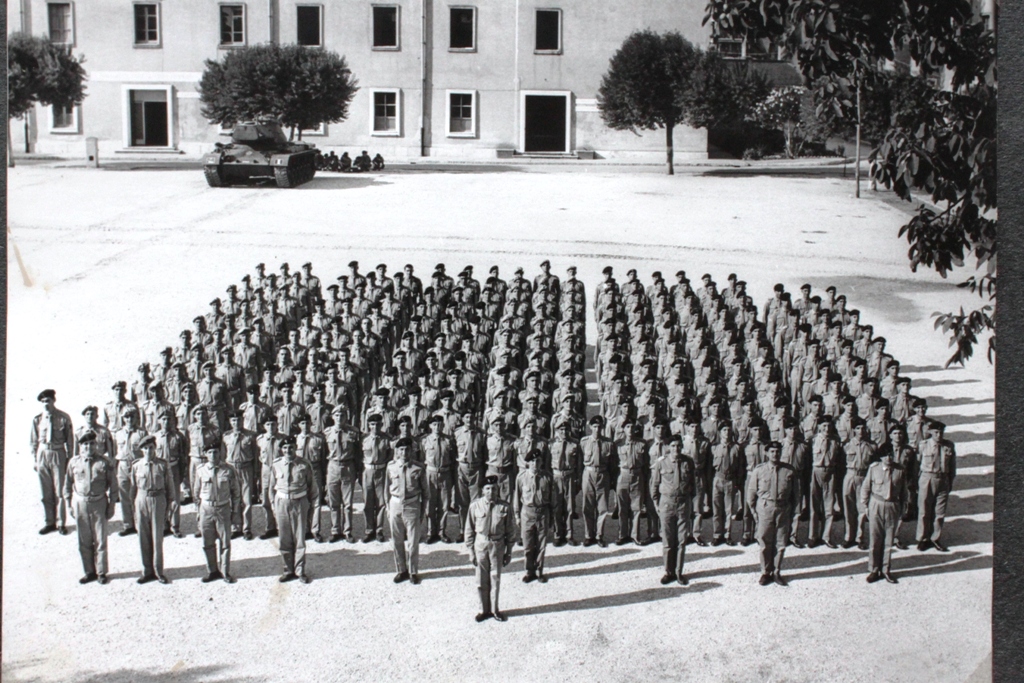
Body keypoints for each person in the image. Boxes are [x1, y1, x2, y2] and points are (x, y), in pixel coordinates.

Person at [62, 430, 117, 584]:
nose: (89, 447)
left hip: (99, 503)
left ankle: (101, 572)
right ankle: (89, 571)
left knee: (100, 539)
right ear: (80, 446)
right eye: (85, 444)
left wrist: (112, 505)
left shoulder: (104, 462)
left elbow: (113, 486)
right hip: (80, 504)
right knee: (84, 540)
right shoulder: (73, 462)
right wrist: (68, 505)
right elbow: (67, 485)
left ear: (96, 444)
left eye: (92, 443)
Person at [746, 441, 800, 586]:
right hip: (765, 509)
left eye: (777, 451)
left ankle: (776, 571)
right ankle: (765, 572)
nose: (775, 454)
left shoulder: (789, 471)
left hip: (783, 509)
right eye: (772, 451)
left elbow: (796, 494)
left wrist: (793, 512)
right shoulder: (759, 470)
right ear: (766, 453)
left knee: (781, 543)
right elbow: (751, 494)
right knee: (764, 542)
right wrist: (755, 512)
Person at [466, 475, 516, 622]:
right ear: (482, 490)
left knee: (495, 578)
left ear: (498, 490)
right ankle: (483, 610)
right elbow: (469, 530)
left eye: (494, 489)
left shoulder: (504, 507)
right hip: (481, 544)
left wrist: (509, 552)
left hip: (497, 545)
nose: (491, 492)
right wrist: (470, 551)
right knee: (481, 579)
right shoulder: (475, 506)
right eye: (487, 489)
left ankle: (495, 610)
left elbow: (510, 531)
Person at [269, 436, 319, 583]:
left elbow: (313, 488)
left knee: (299, 538)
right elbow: (271, 488)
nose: (288, 450)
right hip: (282, 502)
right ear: (281, 450)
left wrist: (312, 507)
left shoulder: (304, 464)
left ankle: (300, 570)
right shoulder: (276, 464)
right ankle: (288, 569)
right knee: (284, 538)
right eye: (285, 448)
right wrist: (273, 505)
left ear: (295, 447)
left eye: (290, 447)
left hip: (299, 502)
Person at [650, 435, 697, 585]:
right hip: (667, 504)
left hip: (683, 503)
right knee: (668, 540)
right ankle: (668, 572)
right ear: (668, 448)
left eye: (678, 446)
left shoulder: (688, 462)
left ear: (682, 447)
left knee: (681, 540)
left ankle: (678, 572)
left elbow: (693, 485)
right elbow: (654, 486)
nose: (676, 449)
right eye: (673, 446)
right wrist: (657, 505)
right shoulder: (661, 463)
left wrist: (690, 503)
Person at [129, 435, 176, 584]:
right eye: (145, 448)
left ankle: (158, 571)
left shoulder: (162, 465)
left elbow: (170, 486)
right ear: (141, 450)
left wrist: (171, 504)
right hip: (142, 500)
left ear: (155, 448)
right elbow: (132, 489)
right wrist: (134, 508)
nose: (148, 451)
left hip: (158, 499)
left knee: (157, 537)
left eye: (151, 448)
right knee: (143, 537)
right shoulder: (136, 465)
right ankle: (146, 571)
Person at [860, 444, 908, 584]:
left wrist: (903, 508)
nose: (888, 458)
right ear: (880, 457)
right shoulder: (874, 469)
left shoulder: (900, 470)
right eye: (885, 455)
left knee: (889, 540)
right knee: (875, 539)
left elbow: (904, 492)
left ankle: (886, 570)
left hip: (893, 505)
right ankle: (874, 570)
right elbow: (866, 487)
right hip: (876, 504)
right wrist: (865, 506)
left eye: (891, 455)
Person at [31, 389, 75, 535]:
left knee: (60, 491)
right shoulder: (37, 419)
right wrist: (35, 460)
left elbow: (69, 440)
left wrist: (69, 459)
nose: (45, 404)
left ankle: (61, 523)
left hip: (58, 454)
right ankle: (49, 522)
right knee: (46, 492)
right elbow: (33, 441)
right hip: (42, 454)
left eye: (48, 401)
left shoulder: (63, 418)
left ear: (53, 401)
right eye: (43, 402)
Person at [195, 445, 241, 583]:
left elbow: (236, 493)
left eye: (216, 451)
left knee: (225, 542)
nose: (213, 455)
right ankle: (212, 571)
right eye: (210, 452)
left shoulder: (228, 470)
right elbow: (196, 493)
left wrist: (235, 512)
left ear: (220, 452)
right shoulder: (200, 470)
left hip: (223, 509)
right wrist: (198, 512)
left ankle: (225, 571)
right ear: (205, 454)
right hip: (206, 509)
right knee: (207, 542)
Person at [386, 438, 429, 584]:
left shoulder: (418, 468)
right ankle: (401, 570)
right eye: (401, 450)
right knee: (397, 540)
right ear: (397, 451)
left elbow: (425, 492)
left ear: (411, 451)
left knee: (412, 542)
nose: (404, 452)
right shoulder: (391, 467)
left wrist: (422, 511)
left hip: (412, 505)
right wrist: (388, 507)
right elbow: (386, 489)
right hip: (395, 504)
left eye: (407, 449)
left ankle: (413, 571)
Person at [917, 420, 956, 552]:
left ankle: (935, 538)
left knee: (939, 512)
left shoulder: (949, 446)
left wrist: (949, 482)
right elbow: (916, 466)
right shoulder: (923, 445)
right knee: (924, 511)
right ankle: (923, 538)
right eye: (936, 432)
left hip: (943, 479)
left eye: (941, 432)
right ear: (930, 432)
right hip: (927, 478)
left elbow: (952, 467)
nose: (939, 435)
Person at [326, 407, 362, 543]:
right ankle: (335, 530)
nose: (339, 418)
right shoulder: (327, 432)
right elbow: (324, 453)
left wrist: (358, 470)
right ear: (333, 417)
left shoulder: (353, 432)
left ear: (346, 417)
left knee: (347, 503)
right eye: (336, 415)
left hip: (348, 466)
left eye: (342, 415)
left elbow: (358, 452)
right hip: (333, 466)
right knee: (334, 502)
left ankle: (347, 531)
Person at [515, 450, 552, 583]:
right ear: (528, 463)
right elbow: (517, 498)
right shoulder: (521, 477)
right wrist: (517, 516)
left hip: (542, 513)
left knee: (541, 545)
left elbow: (552, 499)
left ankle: (539, 571)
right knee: (528, 545)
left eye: (538, 461)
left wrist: (551, 517)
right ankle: (529, 571)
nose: (535, 464)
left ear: (541, 462)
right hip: (527, 513)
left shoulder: (547, 477)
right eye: (532, 461)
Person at [581, 415, 616, 547]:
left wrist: (611, 480)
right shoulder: (584, 442)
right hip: (588, 473)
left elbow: (612, 464)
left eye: (599, 427)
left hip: (603, 474)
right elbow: (580, 462)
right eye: (594, 427)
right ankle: (589, 535)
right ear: (590, 427)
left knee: (602, 507)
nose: (597, 429)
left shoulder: (608, 443)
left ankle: (599, 535)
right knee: (588, 506)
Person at [362, 413, 393, 542]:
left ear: (381, 425)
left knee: (381, 502)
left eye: (377, 424)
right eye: (372, 424)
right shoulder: (363, 439)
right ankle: (369, 530)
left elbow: (391, 456)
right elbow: (359, 456)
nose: (375, 427)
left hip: (381, 471)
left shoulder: (387, 439)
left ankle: (379, 530)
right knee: (368, 502)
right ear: (369, 425)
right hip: (368, 471)